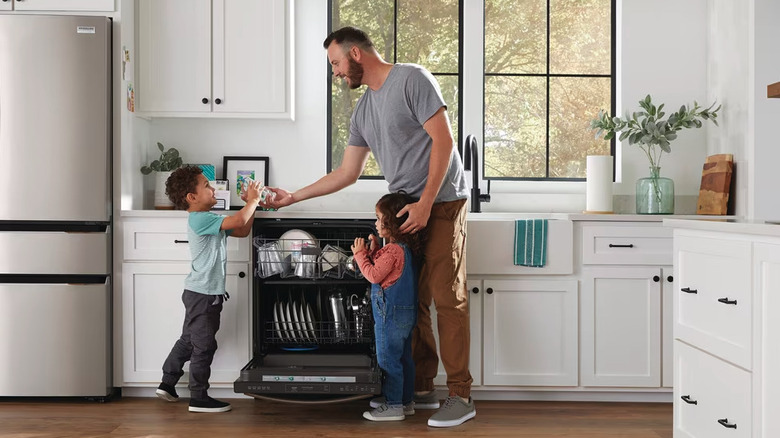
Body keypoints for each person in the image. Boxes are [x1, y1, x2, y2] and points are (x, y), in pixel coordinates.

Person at [263, 26, 475, 427]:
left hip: (443, 202)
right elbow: (347, 172)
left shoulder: (412, 79)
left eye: (336, 63)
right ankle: (421, 386)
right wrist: (293, 197)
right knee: (413, 303)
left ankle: (461, 395)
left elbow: (444, 142)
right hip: (401, 212)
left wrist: (427, 202)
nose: (336, 73)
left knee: (448, 299)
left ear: (355, 54)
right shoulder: (363, 110)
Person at [155, 165, 263, 413]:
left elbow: (243, 228)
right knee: (204, 345)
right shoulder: (200, 218)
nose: (213, 188)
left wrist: (251, 204)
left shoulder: (210, 219)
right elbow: (239, 219)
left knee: (189, 341)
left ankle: (167, 383)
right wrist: (253, 200)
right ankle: (199, 397)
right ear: (191, 198)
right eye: (207, 185)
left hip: (200, 293)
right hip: (203, 295)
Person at [352, 191, 425, 422]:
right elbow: (389, 272)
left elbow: (374, 275)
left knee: (387, 360)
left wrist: (361, 254)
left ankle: (393, 406)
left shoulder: (393, 250)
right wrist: (374, 249)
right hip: (406, 314)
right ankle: (405, 401)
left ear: (391, 222)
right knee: (403, 358)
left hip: (389, 317)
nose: (375, 222)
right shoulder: (402, 248)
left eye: (378, 217)